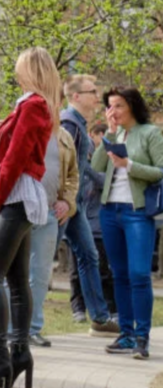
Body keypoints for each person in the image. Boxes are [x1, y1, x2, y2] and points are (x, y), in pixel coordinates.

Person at [0, 47, 61, 388]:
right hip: (19, 193)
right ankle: (18, 352)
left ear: (31, 70)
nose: (14, 68)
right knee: (16, 280)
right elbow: (0, 152)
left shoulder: (33, 105)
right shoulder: (28, 105)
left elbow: (18, 157)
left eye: (18, 64)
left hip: (17, 194)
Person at [92, 86, 163, 360]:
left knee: (139, 275)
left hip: (137, 213)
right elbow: (97, 166)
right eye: (109, 107)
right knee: (118, 274)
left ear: (132, 105)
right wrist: (108, 134)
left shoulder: (150, 133)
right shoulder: (115, 133)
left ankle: (142, 338)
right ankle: (126, 335)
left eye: (118, 106)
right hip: (110, 212)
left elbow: (160, 171)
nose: (114, 112)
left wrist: (129, 165)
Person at [59, 75, 117, 334]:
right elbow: (62, 165)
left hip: (76, 205)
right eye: (92, 91)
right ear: (75, 96)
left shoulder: (80, 124)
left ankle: (100, 318)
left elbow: (84, 168)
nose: (97, 96)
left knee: (89, 256)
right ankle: (28, 323)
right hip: (64, 204)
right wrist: (61, 199)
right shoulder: (68, 124)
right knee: (36, 259)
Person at [26, 117, 79, 348]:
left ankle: (33, 328)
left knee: (40, 274)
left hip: (48, 214)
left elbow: (73, 176)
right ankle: (10, 328)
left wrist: (67, 202)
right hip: (19, 211)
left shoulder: (64, 136)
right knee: (13, 272)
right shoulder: (19, 124)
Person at [71, 120, 117, 322]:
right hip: (79, 219)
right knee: (76, 270)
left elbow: (104, 181)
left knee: (103, 269)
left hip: (98, 224)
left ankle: (108, 309)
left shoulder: (101, 163)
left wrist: (87, 167)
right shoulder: (80, 164)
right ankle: (78, 308)